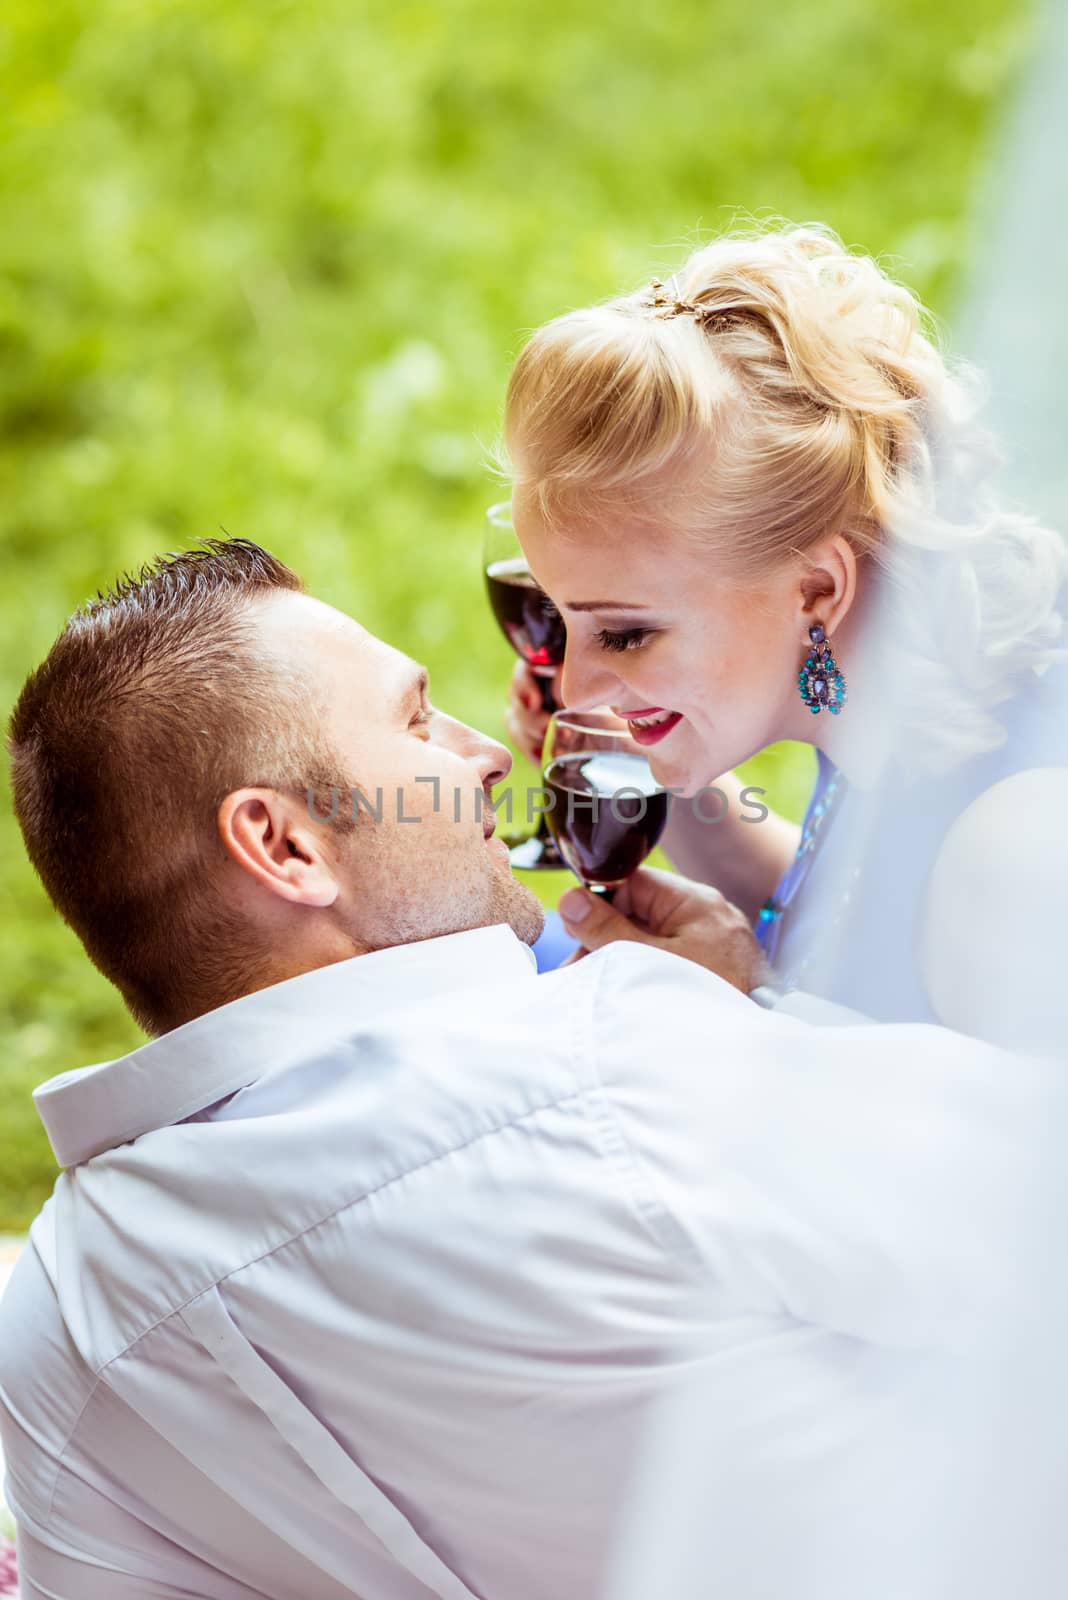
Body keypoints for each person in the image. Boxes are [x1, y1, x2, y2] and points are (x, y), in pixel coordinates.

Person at [0, 540, 1063, 1599]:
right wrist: (754, 1003)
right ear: (285, 847)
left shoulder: (61, 1329)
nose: (486, 754)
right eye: (417, 722)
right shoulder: (621, 1074)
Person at [502, 223, 1068, 1050]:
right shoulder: (901, 684)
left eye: (624, 633)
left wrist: (752, 1008)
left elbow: (994, 1161)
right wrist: (676, 787)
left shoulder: (1020, 858)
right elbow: (870, 914)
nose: (577, 689)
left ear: (819, 587)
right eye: (562, 618)